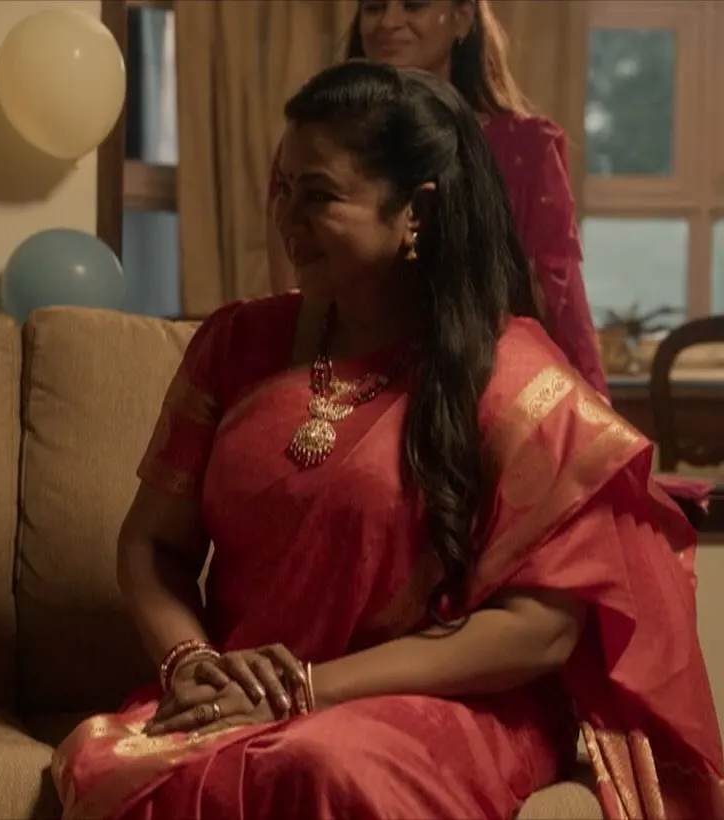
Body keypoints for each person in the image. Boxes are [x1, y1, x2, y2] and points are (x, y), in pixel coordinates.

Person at [52, 61, 724, 819]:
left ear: (417, 211)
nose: (287, 217)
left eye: (319, 196)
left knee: (320, 765)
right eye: (283, 188)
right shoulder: (237, 345)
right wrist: (191, 662)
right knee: (105, 760)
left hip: (442, 703)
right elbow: (151, 545)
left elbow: (540, 632)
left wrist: (308, 689)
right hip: (245, 693)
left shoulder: (514, 382)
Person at [270, 0, 608, 396]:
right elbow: (292, 286)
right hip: (337, 380)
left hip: (477, 384)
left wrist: (587, 399)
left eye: (413, 5)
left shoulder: (525, 148)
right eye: (374, 7)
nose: (389, 22)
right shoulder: (308, 152)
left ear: (463, 17)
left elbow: (559, 298)